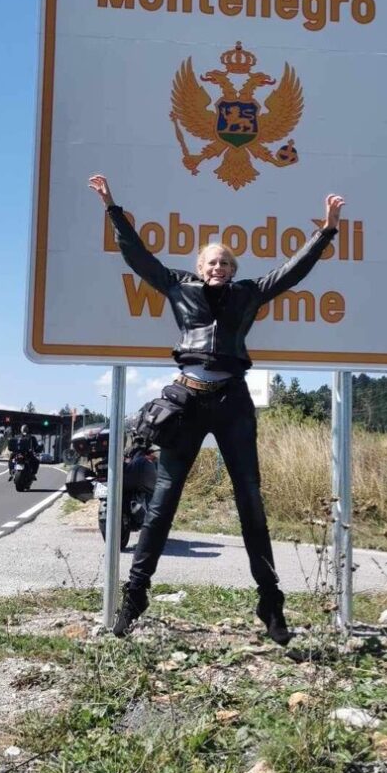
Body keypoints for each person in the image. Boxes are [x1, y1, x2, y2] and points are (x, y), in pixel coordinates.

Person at [89, 174, 344, 642]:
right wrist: (111, 207)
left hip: (232, 402)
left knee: (250, 501)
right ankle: (134, 598)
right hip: (185, 402)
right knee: (163, 503)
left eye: (226, 261)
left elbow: (293, 270)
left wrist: (325, 230)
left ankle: (271, 603)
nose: (219, 267)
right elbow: (137, 256)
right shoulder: (177, 287)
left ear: (233, 267)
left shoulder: (249, 292)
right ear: (199, 265)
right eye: (212, 261)